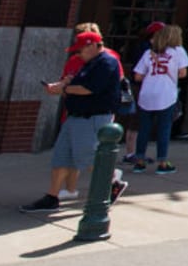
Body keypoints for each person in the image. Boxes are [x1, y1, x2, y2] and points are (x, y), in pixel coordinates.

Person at [25, 31, 123, 213]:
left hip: (92, 117)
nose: (79, 54)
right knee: (62, 157)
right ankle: (51, 197)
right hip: (75, 116)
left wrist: (65, 89)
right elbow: (78, 85)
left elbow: (88, 89)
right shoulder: (89, 64)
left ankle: (111, 184)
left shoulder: (106, 62)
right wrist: (64, 85)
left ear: (93, 45)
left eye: (81, 50)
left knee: (89, 157)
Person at [129, 22, 188, 173]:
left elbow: (137, 76)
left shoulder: (149, 53)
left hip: (147, 92)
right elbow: (183, 73)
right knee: (164, 128)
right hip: (166, 94)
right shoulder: (178, 51)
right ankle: (162, 162)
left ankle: (140, 161)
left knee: (144, 128)